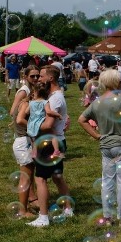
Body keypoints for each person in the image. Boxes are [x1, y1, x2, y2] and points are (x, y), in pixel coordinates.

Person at [78, 69, 121, 226]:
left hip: (106, 146)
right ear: (116, 82)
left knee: (107, 181)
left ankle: (107, 217)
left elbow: (81, 119)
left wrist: (96, 135)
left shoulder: (97, 102)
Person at [28, 65, 73, 228]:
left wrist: (29, 127)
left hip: (48, 142)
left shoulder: (53, 99)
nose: (38, 79)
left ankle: (43, 217)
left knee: (40, 179)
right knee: (57, 177)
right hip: (57, 140)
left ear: (50, 78)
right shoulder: (55, 95)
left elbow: (48, 125)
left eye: (41, 76)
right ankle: (68, 209)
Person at [10, 66, 40, 218]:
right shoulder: (25, 97)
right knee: (25, 177)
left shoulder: (28, 99)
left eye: (37, 76)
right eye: (33, 76)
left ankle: (28, 204)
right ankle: (23, 210)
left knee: (28, 174)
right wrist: (35, 126)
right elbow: (18, 117)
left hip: (25, 141)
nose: (36, 79)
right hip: (23, 141)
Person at [26, 83, 63, 158]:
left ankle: (34, 153)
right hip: (40, 123)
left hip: (31, 124)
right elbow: (48, 111)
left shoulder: (31, 103)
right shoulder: (45, 102)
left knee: (34, 138)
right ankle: (56, 151)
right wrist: (58, 115)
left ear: (35, 92)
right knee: (53, 134)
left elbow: (26, 112)